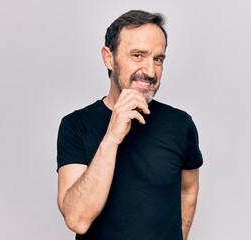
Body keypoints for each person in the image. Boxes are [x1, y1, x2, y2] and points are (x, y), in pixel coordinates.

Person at [56, 9, 203, 240]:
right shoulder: (75, 126)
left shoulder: (180, 124)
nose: (150, 71)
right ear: (108, 57)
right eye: (137, 55)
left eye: (158, 59)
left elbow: (189, 189)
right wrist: (112, 137)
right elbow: (77, 219)